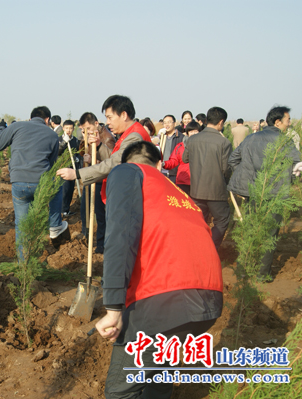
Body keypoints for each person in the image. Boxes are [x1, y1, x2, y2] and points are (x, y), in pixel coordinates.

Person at [96, 140, 223, 399]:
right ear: (158, 165)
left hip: (164, 299)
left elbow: (120, 237)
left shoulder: (127, 172)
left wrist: (112, 307)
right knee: (158, 374)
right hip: (209, 300)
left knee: (121, 390)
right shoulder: (178, 192)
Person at [227, 106, 300, 281]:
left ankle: (244, 271)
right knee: (270, 234)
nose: (289, 124)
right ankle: (261, 275)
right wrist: (288, 178)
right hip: (274, 194)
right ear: (278, 122)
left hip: (253, 193)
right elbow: (298, 163)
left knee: (251, 230)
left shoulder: (251, 138)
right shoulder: (284, 141)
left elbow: (233, 159)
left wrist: (248, 179)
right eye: (287, 120)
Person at [0, 106, 68, 245]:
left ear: (31, 117)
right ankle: (55, 225)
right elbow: (52, 163)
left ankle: (24, 264)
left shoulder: (17, 126)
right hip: (40, 182)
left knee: (22, 226)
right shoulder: (52, 134)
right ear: (47, 119)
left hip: (18, 183)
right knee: (58, 184)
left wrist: (1, 128)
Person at [57, 95, 151, 206]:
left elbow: (115, 163)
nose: (107, 122)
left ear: (124, 115)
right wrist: (99, 146)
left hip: (131, 197)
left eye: (110, 117)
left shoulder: (135, 136)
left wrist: (77, 174)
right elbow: (116, 157)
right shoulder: (127, 133)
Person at [183, 106, 232, 250]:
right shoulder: (224, 142)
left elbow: (185, 158)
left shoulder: (193, 139)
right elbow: (226, 169)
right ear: (221, 122)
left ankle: (198, 249)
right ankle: (210, 247)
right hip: (216, 191)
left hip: (197, 190)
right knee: (222, 220)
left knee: (199, 222)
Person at [76, 112, 115, 253]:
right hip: (91, 178)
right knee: (85, 210)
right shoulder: (89, 137)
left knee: (100, 215)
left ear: (96, 124)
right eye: (82, 130)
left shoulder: (107, 138)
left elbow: (109, 162)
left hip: (100, 181)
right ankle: (87, 237)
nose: (85, 132)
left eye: (87, 129)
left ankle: (100, 245)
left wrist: (94, 158)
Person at [162, 121, 200, 196]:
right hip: (183, 181)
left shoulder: (203, 146)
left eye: (196, 131)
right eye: (191, 131)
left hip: (198, 182)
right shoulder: (180, 146)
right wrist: (163, 164)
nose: (194, 134)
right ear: (187, 133)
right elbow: (173, 161)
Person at [58, 119, 81, 217]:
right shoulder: (59, 140)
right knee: (64, 190)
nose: (68, 130)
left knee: (71, 190)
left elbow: (78, 153)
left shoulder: (75, 140)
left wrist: (77, 160)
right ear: (63, 128)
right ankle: (62, 210)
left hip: (72, 169)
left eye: (71, 128)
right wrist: (63, 143)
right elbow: (57, 152)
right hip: (63, 169)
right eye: (66, 128)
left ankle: (66, 209)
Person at [159, 115, 184, 183]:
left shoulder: (181, 137)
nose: (167, 124)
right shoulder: (161, 137)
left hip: (174, 172)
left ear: (174, 124)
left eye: (169, 122)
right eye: (165, 123)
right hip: (162, 170)